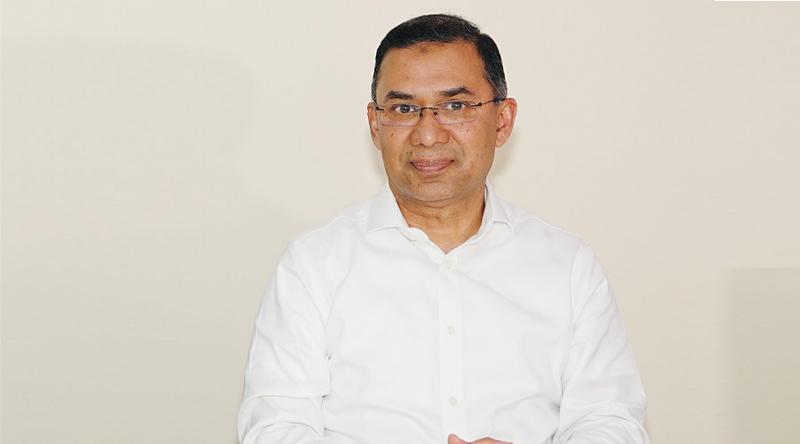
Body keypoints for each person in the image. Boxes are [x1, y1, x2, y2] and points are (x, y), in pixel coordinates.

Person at [238, 14, 649, 444]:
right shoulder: (313, 265)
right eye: (403, 109)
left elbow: (611, 421)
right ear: (376, 125)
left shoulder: (567, 266)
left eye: (455, 107)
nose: (428, 135)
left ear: (502, 120)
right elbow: (274, 429)